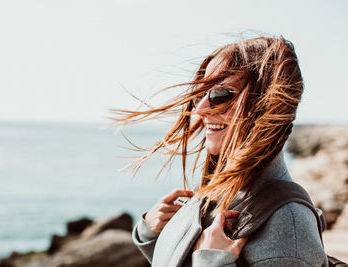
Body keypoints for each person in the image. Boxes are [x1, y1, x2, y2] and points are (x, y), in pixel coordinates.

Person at [113, 36, 328, 266]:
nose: (201, 109)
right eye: (200, 95)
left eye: (220, 94)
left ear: (266, 104)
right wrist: (152, 235)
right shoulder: (216, 194)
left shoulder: (288, 226)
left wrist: (212, 262)